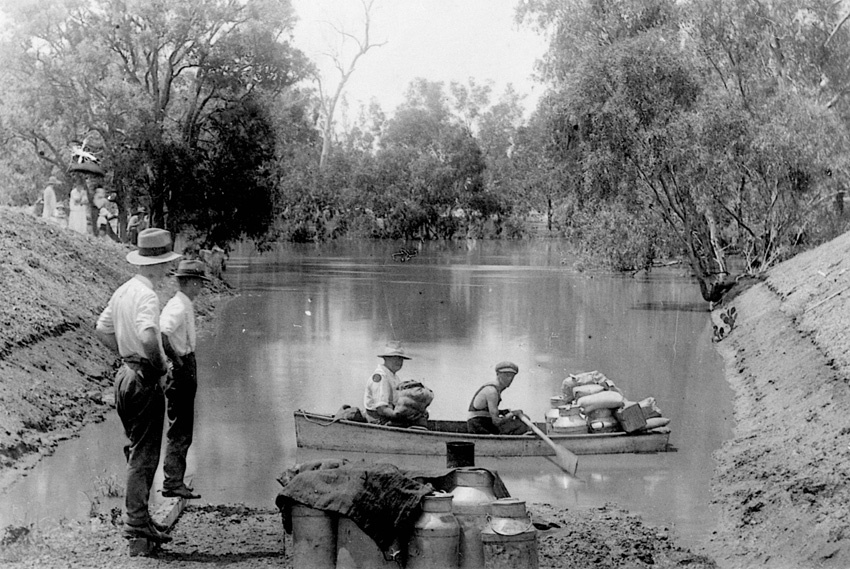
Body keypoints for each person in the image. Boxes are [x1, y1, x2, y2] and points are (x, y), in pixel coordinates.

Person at [95, 228, 182, 544]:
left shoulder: (123, 291)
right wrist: (159, 365)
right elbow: (148, 336)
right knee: (144, 454)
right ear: (155, 264)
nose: (169, 269)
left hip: (124, 376)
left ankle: (141, 518)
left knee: (136, 448)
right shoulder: (147, 295)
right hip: (142, 377)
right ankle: (135, 524)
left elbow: (102, 329)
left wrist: (124, 353)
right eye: (166, 263)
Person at [159, 260, 210, 500]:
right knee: (180, 428)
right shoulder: (178, 306)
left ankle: (175, 480)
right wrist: (176, 361)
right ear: (189, 282)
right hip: (182, 367)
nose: (200, 287)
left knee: (183, 426)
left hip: (187, 363)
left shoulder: (184, 304)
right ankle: (172, 482)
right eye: (198, 282)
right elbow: (163, 333)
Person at [363, 342, 419, 426]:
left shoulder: (394, 377)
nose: (398, 361)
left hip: (389, 415)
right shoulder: (381, 377)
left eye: (400, 358)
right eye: (394, 358)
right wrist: (399, 416)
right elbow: (381, 409)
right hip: (377, 419)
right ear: (386, 359)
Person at [467, 361, 528, 435]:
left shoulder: (496, 389)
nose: (510, 379)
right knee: (523, 424)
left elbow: (487, 412)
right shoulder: (492, 391)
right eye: (506, 375)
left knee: (523, 422)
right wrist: (512, 414)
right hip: (479, 427)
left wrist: (504, 412)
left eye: (512, 376)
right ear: (498, 374)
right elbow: (496, 421)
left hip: (485, 423)